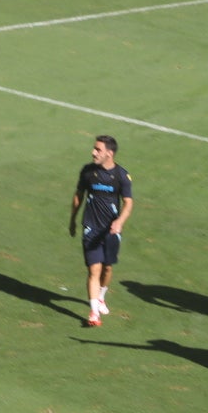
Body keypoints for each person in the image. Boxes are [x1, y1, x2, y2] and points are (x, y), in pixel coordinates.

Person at [71, 135, 133, 327]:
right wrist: (73, 219)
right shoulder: (88, 172)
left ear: (109, 153)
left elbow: (128, 203)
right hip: (91, 226)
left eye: (98, 149)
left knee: (107, 268)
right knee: (94, 270)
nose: (93, 152)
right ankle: (94, 313)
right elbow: (79, 195)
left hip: (111, 230)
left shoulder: (121, 176)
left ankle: (101, 296)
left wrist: (120, 221)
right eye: (94, 148)